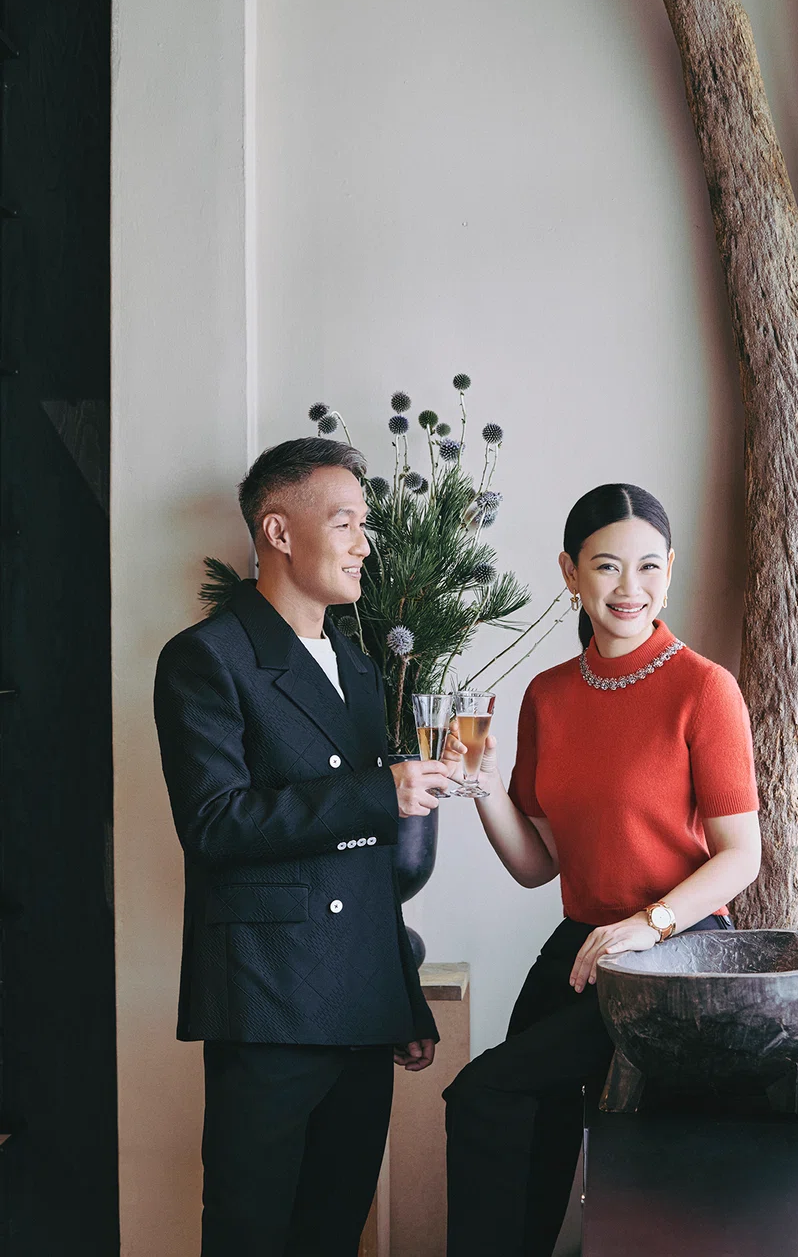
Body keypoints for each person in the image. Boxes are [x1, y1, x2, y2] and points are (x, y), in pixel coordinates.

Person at [154, 437, 456, 1257]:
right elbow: (214, 823)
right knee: (251, 1237)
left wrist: (402, 989)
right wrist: (377, 791)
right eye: (348, 521)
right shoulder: (206, 659)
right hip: (267, 1004)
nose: (366, 543)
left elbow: (364, 862)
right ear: (280, 531)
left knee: (332, 1234)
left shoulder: (357, 669)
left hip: (360, 1004)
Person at [442, 483, 761, 1257]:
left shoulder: (704, 689)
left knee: (490, 1091)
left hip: (678, 951)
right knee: (508, 1106)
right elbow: (535, 863)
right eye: (608, 566)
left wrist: (644, 924)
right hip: (583, 944)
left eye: (650, 566)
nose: (631, 588)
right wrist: (482, 787)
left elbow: (741, 856)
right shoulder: (547, 697)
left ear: (671, 569)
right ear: (569, 572)